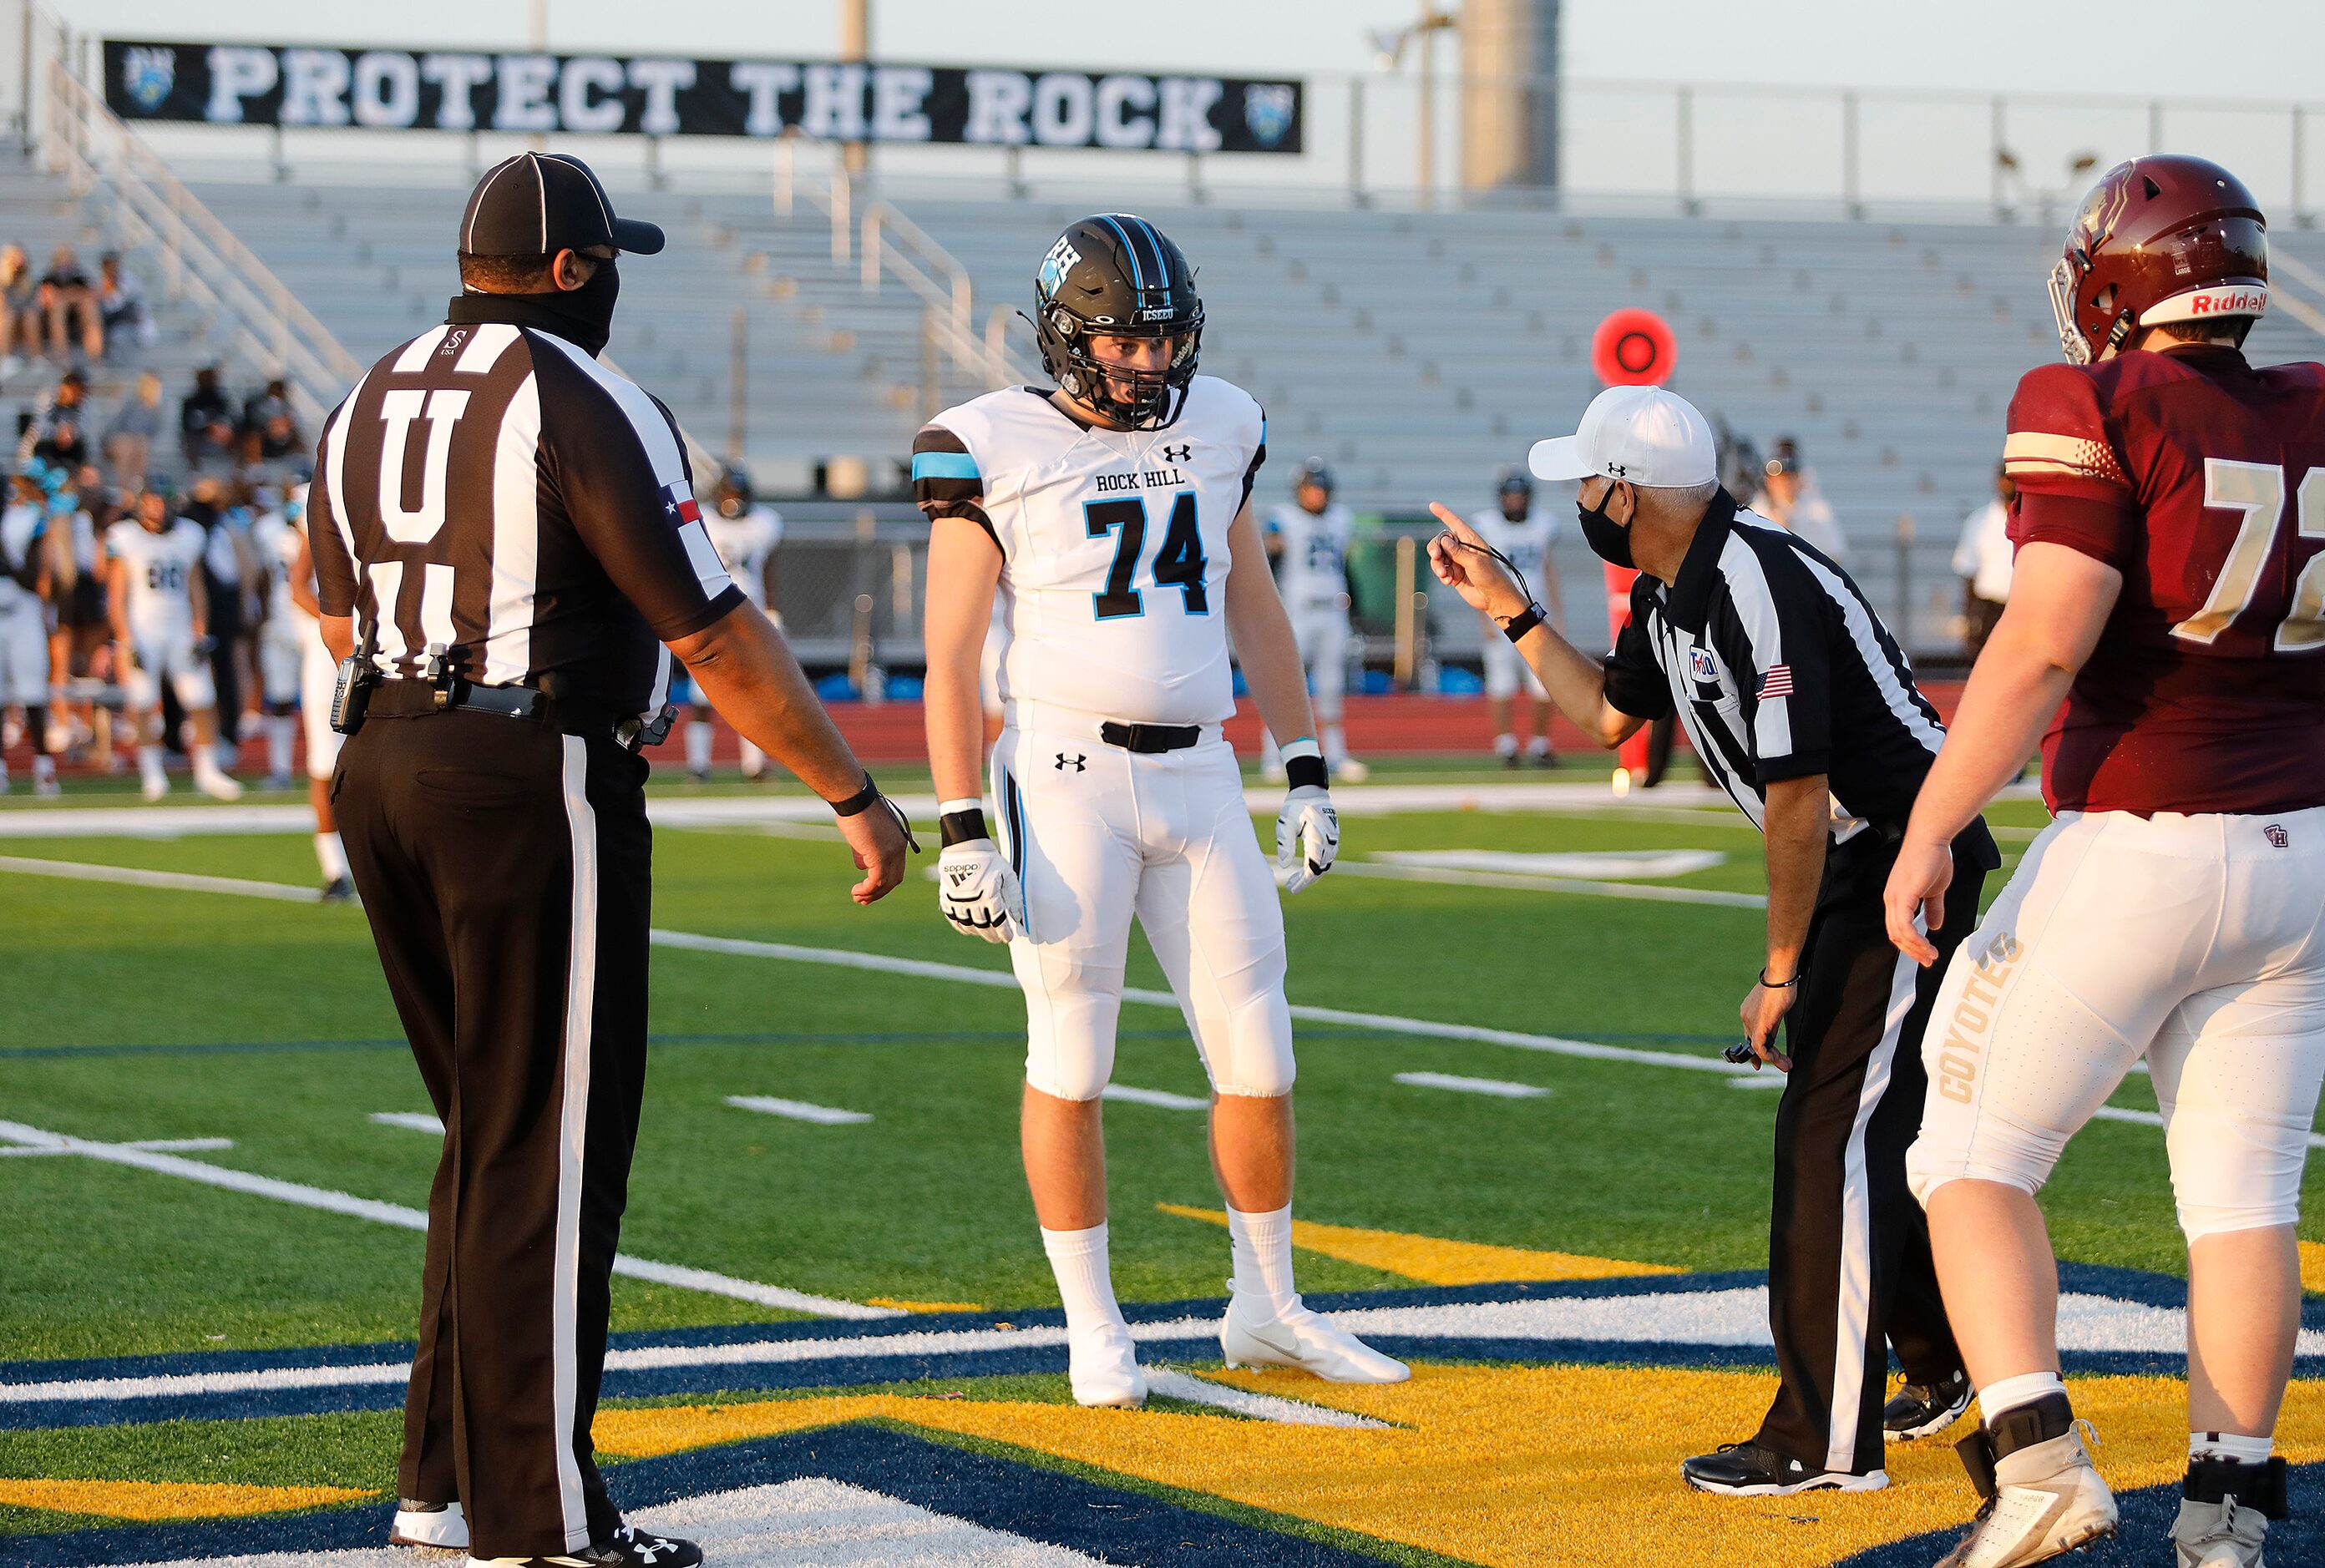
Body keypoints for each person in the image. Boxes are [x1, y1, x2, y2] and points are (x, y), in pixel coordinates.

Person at [308, 151, 910, 1568]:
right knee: (550, 1143)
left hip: (379, 756)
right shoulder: (582, 394)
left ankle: (440, 1484)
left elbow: (317, 592)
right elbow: (710, 631)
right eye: (608, 262)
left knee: (489, 1131)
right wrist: (854, 793)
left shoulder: (368, 385)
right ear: (575, 270)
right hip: (526, 766)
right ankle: (545, 1517)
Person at [1428, 382, 1996, 1498]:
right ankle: (1937, 1362)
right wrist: (1508, 608)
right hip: (1867, 851)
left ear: (1628, 489)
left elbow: (1798, 793)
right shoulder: (1676, 585)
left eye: (1589, 481)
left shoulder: (1753, 582)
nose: (1583, 499)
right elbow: (1605, 714)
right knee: (1860, 1131)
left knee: (1824, 1133)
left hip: (1902, 853)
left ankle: (1824, 1439)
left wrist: (1779, 969)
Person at [1883, 154, 2322, 1568]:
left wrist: (1929, 819)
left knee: (1961, 1155)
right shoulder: (2316, 406)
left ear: (2117, 280)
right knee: (2242, 1196)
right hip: (2302, 853)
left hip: (2139, 839)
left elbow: (2046, 637)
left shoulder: (2092, 398)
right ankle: (2225, 1510)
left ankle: (2035, 1464)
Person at [917, 214, 1406, 1411]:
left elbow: (1256, 604)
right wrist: (961, 823)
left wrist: (1304, 761)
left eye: (1163, 342)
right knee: (1073, 1056)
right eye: (1124, 343)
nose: (1147, 365)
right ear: (1065, 336)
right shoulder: (987, 442)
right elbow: (948, 659)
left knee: (1261, 1051)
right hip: (1065, 775)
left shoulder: (1222, 422)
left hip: (1202, 771)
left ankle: (1267, 1306)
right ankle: (1094, 1325)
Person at [104, 483, 241, 802]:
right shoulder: (125, 537)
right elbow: (116, 592)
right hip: (143, 629)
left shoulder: (188, 535)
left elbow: (196, 586)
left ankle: (207, 771)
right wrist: (124, 637)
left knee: (201, 697)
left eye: (162, 502)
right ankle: (152, 774)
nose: (157, 510)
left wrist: (200, 629)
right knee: (142, 700)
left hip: (179, 627)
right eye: (151, 503)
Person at [1260, 457, 1365, 781]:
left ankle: (1335, 753)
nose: (1316, 495)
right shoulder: (1283, 519)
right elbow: (1269, 564)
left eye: (1320, 489)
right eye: (1311, 488)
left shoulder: (1341, 519)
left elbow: (1347, 569)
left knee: (1332, 686)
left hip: (1333, 609)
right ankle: (1274, 754)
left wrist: (1356, 608)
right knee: (1285, 683)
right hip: (1297, 609)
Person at [686, 463, 783, 781]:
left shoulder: (763, 524)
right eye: (729, 492)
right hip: (711, 615)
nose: (734, 500)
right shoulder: (703, 520)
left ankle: (754, 765)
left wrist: (772, 611)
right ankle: (699, 765)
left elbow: (767, 569)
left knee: (756, 691)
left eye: (739, 494)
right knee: (703, 697)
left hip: (750, 614)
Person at [1469, 468, 1564, 766]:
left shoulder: (1542, 525)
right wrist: (1482, 616)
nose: (1515, 501)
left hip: (1535, 614)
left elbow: (1548, 569)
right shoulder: (1487, 525)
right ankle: (1506, 745)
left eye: (1519, 496)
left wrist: (1558, 614)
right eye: (1510, 496)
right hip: (1499, 615)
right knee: (1502, 684)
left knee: (1543, 683)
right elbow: (1478, 573)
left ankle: (1539, 743)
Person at [0, 467, 58, 795]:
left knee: (33, 692)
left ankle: (44, 766)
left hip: (23, 615)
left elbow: (31, 579)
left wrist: (5, 552)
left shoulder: (28, 521)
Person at [251, 485, 308, 792]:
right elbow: (261, 577)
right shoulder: (269, 532)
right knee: (281, 699)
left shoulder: (327, 532)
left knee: (323, 700)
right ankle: (281, 769)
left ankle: (327, 767)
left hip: (312, 624)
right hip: (280, 621)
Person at [1951, 465, 2016, 659]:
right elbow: (1969, 573)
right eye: (2004, 477)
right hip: (1991, 607)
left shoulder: (2033, 519)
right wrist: (1969, 620)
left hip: (2024, 606)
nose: (2008, 483)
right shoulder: (1980, 521)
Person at [1752, 443, 1848, 560]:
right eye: (1778, 481)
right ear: (1769, 483)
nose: (1784, 485)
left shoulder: (1817, 510)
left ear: (1798, 480)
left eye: (1789, 479)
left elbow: (1835, 553)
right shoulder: (1757, 512)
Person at [103, 371, 165, 492]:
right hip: (119, 441)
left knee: (141, 445)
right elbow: (118, 425)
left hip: (138, 444)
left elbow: (154, 431)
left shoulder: (156, 410)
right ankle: (124, 487)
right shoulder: (131, 403)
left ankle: (136, 485)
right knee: (127, 445)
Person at [37, 246, 100, 363]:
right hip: (53, 319)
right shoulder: (48, 279)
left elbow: (91, 295)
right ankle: (61, 356)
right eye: (61, 259)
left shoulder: (80, 278)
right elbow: (46, 300)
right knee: (59, 307)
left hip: (78, 317)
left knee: (89, 307)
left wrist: (68, 295)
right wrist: (70, 295)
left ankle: (95, 357)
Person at [95, 252, 155, 355]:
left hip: (126, 320)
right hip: (109, 321)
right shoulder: (100, 283)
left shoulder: (129, 280)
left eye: (112, 265)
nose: (110, 269)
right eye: (107, 266)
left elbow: (124, 301)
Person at [180, 364, 236, 470]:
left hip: (219, 436)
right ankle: (195, 471)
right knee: (190, 441)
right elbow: (186, 425)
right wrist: (207, 428)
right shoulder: (191, 401)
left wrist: (219, 428)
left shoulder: (221, 400)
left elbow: (230, 419)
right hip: (199, 437)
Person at [0, 245, 39, 377]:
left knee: (30, 315)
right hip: (6, 321)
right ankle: (5, 357)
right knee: (8, 316)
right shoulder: (3, 282)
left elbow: (32, 304)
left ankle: (36, 358)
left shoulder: (28, 282)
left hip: (22, 324)